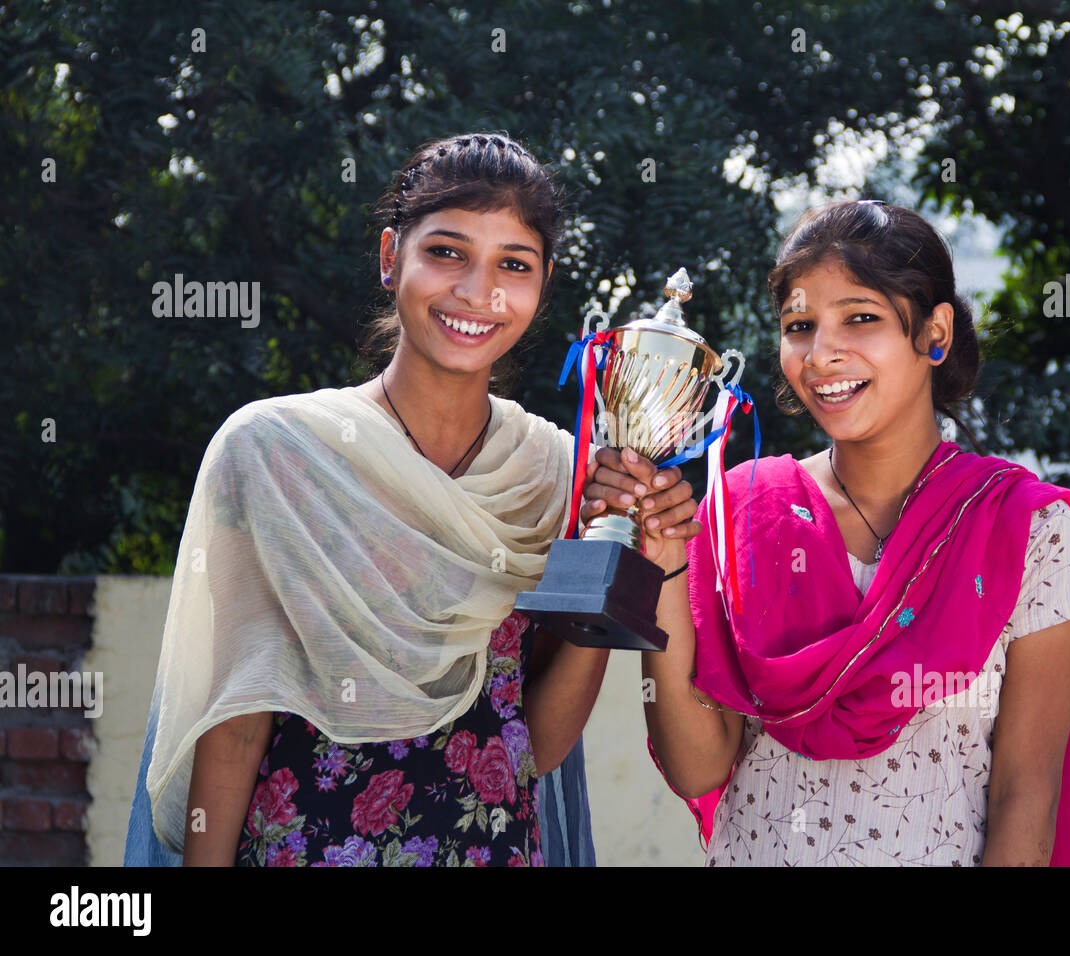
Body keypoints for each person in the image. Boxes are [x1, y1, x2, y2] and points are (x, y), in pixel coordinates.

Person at [125, 132, 697, 866]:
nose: (477, 291)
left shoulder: (556, 473)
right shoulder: (277, 453)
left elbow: (538, 743)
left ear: (543, 283)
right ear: (392, 255)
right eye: (447, 252)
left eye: (512, 265)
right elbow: (235, 727)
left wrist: (608, 547)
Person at [583, 199, 1070, 866]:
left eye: (861, 318)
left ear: (935, 334)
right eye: (800, 325)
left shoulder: (1027, 528)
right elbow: (698, 769)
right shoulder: (740, 511)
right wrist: (667, 563)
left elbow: (1028, 796)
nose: (821, 354)